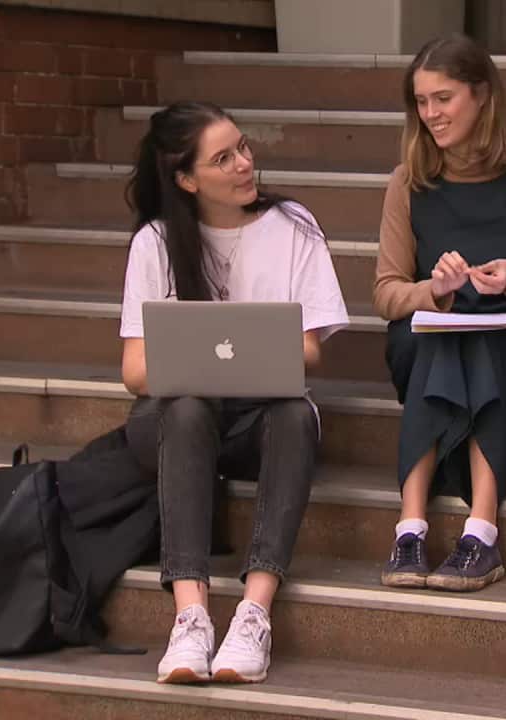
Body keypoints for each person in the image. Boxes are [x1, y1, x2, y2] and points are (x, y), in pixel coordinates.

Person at [119, 102, 350, 684]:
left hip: (257, 419)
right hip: (175, 421)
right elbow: (135, 372)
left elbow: (310, 350)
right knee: (189, 406)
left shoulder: (294, 224)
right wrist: (199, 365)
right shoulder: (155, 242)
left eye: (243, 148)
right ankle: (191, 616)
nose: (245, 164)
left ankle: (254, 612)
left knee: (296, 414)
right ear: (187, 179)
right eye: (224, 158)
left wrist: (238, 355)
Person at [374, 34, 506, 592]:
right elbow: (387, 292)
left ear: (482, 95)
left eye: (443, 98)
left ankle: (480, 529)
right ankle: (413, 527)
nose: (430, 114)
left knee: (485, 339)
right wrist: (434, 292)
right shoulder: (408, 181)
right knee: (441, 337)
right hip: (428, 336)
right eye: (420, 102)